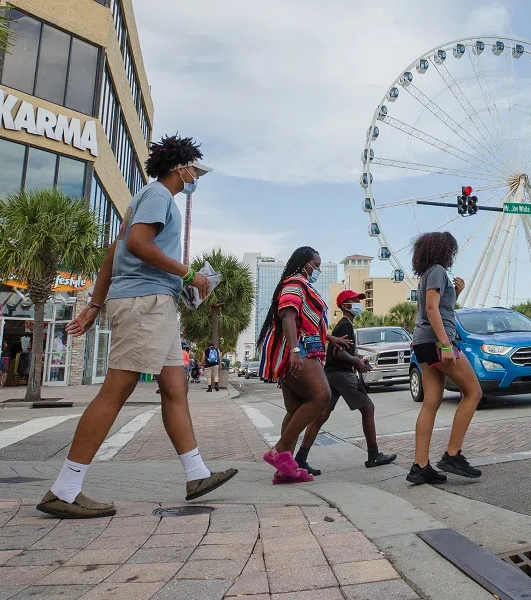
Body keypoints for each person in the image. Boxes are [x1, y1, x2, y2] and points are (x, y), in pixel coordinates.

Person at [37, 134, 237, 519]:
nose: (196, 175)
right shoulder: (160, 195)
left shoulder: (144, 198)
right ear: (182, 168)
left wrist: (96, 304)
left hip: (152, 302)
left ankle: (196, 474)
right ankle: (64, 488)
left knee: (175, 387)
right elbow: (139, 246)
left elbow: (114, 252)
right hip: (145, 303)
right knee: (115, 391)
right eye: (194, 168)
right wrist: (190, 274)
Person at [257, 246, 352, 484]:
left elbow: (307, 321)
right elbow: (288, 315)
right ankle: (279, 452)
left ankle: (285, 470)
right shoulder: (295, 283)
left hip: (295, 350)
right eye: (316, 264)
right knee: (321, 396)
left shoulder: (300, 284)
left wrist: (330, 338)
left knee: (295, 408)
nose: (318, 269)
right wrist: (295, 351)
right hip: (299, 350)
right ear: (303, 263)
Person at [407, 232, 482, 485]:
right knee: (473, 392)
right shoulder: (438, 271)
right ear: (444, 250)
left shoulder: (428, 273)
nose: (453, 254)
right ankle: (452, 455)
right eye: (451, 249)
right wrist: (446, 344)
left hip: (423, 342)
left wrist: (456, 293)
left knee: (431, 401)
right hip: (436, 343)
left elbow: (441, 308)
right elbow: (431, 309)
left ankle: (420, 466)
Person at [295, 290, 397, 475]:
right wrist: (356, 361)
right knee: (368, 408)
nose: (359, 303)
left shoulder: (345, 324)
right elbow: (338, 353)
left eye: (359, 300)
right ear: (344, 305)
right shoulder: (345, 325)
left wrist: (357, 358)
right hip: (341, 374)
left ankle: (301, 458)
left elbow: (342, 351)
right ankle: (373, 454)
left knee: (321, 417)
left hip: (331, 375)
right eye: (354, 300)